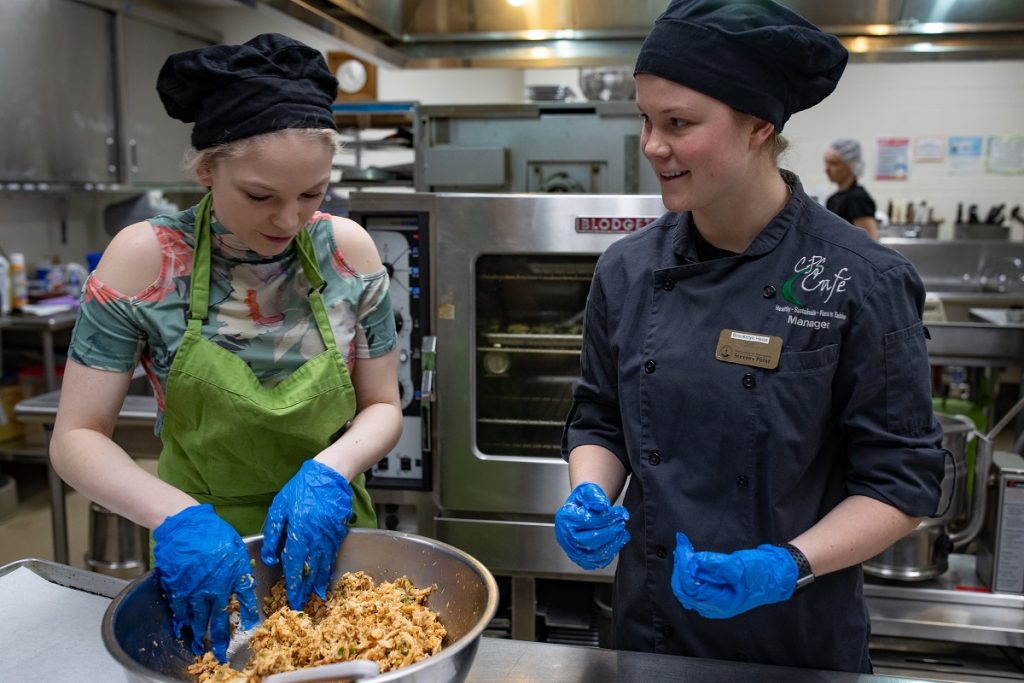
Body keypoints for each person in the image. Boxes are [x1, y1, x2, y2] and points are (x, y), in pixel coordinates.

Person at [554, 0, 945, 673]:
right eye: (646, 120)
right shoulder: (628, 268)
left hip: (794, 640)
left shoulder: (862, 279)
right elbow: (600, 418)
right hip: (648, 631)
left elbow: (902, 481)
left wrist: (784, 564)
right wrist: (588, 491)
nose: (652, 145)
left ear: (760, 125)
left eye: (678, 124)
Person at [50, 33, 402, 663]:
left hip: (332, 532)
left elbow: (383, 406)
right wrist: (175, 518)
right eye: (261, 196)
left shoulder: (350, 252)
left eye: (313, 194)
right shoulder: (146, 260)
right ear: (207, 169)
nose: (289, 220)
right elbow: (76, 437)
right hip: (200, 543)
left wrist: (329, 471)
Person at [824, 138, 880, 240]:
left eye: (833, 163)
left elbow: (870, 242)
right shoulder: (833, 199)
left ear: (851, 166)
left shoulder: (857, 198)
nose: (827, 169)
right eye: (826, 163)